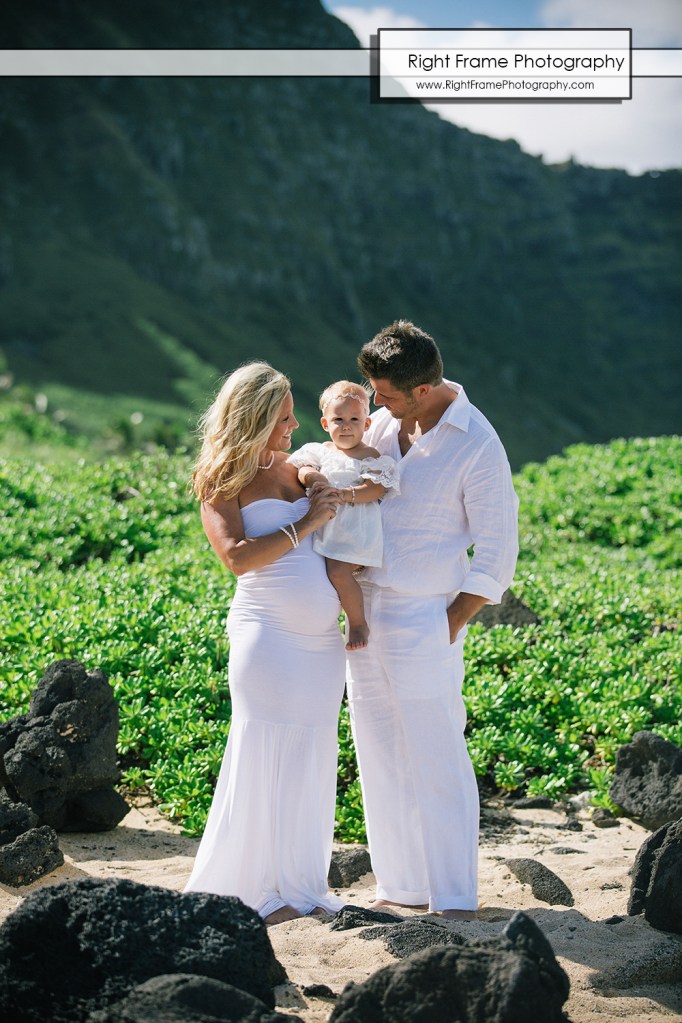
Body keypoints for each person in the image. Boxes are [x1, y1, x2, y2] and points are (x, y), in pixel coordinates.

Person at [346, 320, 519, 921]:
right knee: (377, 749)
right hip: (362, 610)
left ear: (423, 389)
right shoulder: (388, 422)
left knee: (437, 751)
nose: (375, 404)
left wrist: (450, 621)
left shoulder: (478, 443)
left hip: (426, 615)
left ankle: (452, 898)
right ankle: (401, 885)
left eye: (385, 394)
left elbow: (498, 551)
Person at [183, 361, 346, 926]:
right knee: (262, 751)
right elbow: (236, 558)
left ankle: (300, 884)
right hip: (267, 637)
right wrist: (307, 523)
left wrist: (319, 488)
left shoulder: (296, 469)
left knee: (310, 754)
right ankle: (254, 889)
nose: (295, 425)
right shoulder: (221, 478)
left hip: (322, 643)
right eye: (282, 417)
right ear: (252, 419)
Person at [288, 381, 400, 651]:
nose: (346, 426)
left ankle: (357, 622)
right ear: (326, 424)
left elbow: (376, 489)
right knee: (320, 573)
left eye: (354, 419)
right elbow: (301, 467)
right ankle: (321, 623)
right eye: (339, 419)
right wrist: (312, 478)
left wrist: (345, 494)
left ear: (367, 424)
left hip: (353, 529)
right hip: (326, 526)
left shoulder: (370, 456)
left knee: (338, 572)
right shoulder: (321, 450)